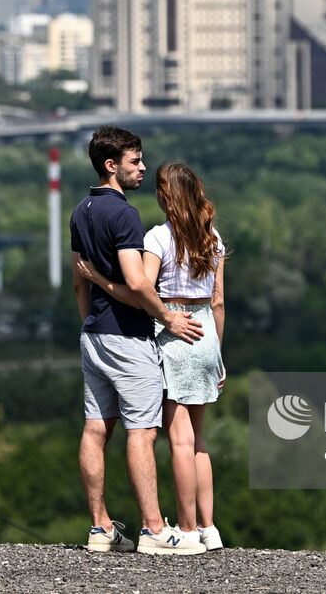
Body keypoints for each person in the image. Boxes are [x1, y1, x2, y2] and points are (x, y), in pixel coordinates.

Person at [77, 160, 227, 552]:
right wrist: (218, 355)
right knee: (199, 441)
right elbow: (219, 301)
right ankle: (210, 528)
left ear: (165, 197)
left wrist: (98, 280)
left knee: (178, 439)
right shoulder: (214, 237)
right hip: (207, 334)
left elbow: (141, 287)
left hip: (173, 330)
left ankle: (188, 529)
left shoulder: (158, 237)